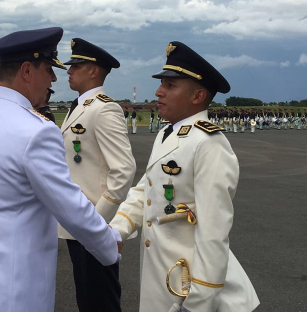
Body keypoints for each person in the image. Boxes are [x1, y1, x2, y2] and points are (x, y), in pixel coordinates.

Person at [0, 27, 121, 312]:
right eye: (49, 69)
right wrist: (109, 245)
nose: (54, 79)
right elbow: (69, 205)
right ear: (27, 71)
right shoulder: (36, 131)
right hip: (10, 286)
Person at [109, 42, 259, 312]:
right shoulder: (167, 133)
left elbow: (213, 233)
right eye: (162, 84)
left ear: (197, 96)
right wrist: (118, 228)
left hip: (190, 288)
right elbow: (146, 188)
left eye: (170, 85)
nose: (158, 91)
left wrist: (198, 303)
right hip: (163, 278)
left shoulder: (209, 143)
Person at [59, 38, 136, 312]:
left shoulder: (104, 108)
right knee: (87, 298)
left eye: (76, 66)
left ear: (94, 71)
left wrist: (97, 221)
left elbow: (123, 169)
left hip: (92, 223)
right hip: (79, 223)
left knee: (100, 301)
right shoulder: (80, 105)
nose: (69, 71)